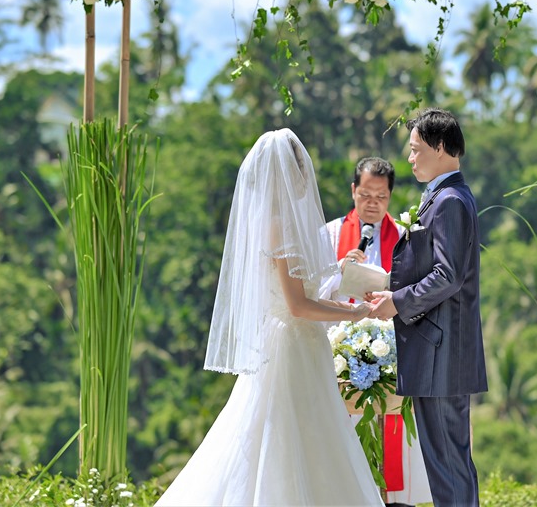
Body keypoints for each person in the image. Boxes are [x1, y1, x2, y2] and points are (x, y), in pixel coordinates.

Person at [156, 129, 384, 507]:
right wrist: (353, 310)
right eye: (299, 171)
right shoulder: (280, 227)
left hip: (300, 344)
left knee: (306, 436)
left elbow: (302, 290)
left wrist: (342, 274)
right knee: (290, 437)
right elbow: (297, 306)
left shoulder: (280, 223)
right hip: (291, 347)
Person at [369, 108, 487, 507]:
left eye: (416, 149)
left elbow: (448, 275)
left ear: (440, 147)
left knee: (448, 463)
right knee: (447, 462)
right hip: (440, 351)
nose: (410, 157)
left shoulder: (450, 200)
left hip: (443, 353)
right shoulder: (444, 196)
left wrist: (398, 303)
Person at [325, 157, 433, 507]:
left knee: (393, 447)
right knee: (343, 451)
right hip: (338, 357)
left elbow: (418, 292)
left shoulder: (404, 238)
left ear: (390, 196)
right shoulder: (328, 234)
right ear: (353, 190)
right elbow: (310, 292)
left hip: (390, 354)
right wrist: (340, 272)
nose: (372, 202)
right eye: (366, 194)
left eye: (381, 196)